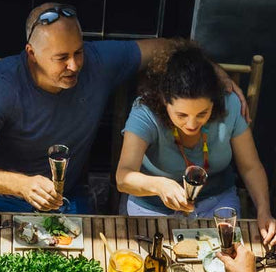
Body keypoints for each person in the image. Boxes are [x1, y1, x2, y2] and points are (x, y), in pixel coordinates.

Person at [0, 2, 246, 215]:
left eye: (78, 52)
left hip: (65, 198)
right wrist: (20, 185)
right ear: (31, 54)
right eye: (61, 58)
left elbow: (170, 47)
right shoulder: (2, 82)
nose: (74, 65)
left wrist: (211, 70)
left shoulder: (98, 61)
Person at [117, 43, 276, 246]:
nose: (191, 124)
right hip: (153, 205)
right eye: (181, 115)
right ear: (164, 100)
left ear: (214, 101)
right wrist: (158, 185)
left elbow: (250, 167)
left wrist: (264, 211)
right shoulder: (145, 111)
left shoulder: (231, 106)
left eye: (202, 114)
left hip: (217, 202)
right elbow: (123, 176)